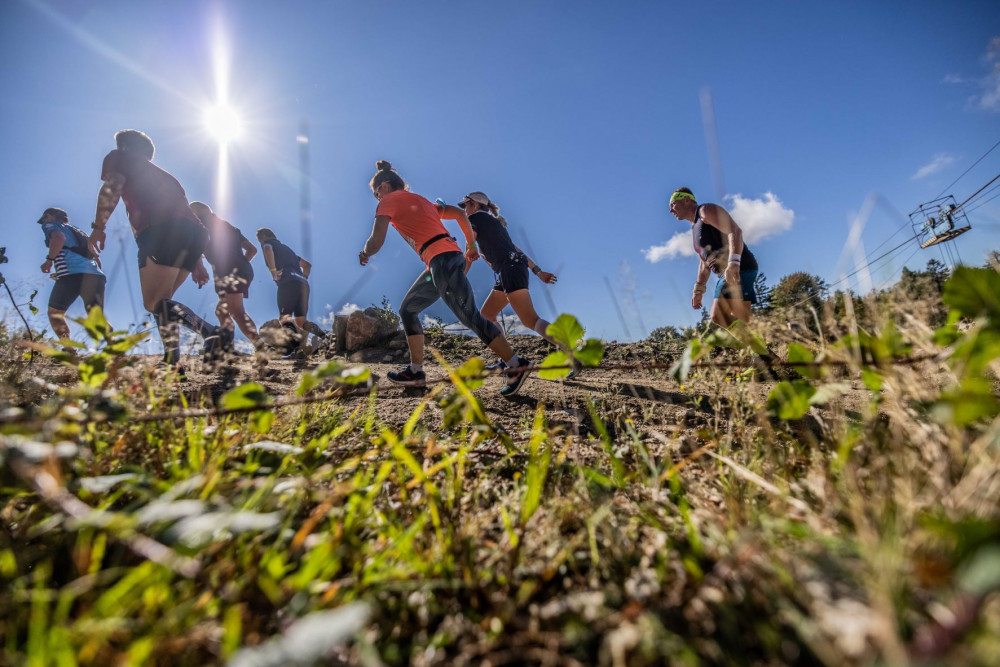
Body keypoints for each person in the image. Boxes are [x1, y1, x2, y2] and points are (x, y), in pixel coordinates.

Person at [359, 161, 530, 396]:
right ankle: (416, 372)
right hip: (442, 261)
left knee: (470, 316)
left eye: (376, 193)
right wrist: (470, 245)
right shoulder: (420, 200)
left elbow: (375, 242)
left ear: (384, 186)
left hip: (442, 261)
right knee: (408, 309)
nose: (377, 197)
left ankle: (516, 364)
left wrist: (365, 253)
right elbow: (459, 213)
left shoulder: (388, 201)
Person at [89, 129, 228, 368]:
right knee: (164, 303)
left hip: (160, 231)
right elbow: (187, 217)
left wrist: (98, 227)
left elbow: (112, 187)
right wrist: (197, 262)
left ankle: (212, 333)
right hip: (195, 235)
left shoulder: (120, 157)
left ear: (124, 146)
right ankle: (172, 361)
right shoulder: (168, 178)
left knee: (153, 303)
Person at [455, 191, 579, 377]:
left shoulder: (475, 219)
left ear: (475, 204)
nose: (464, 209)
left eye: (465, 205)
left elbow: (469, 247)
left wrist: (460, 277)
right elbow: (516, 249)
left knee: (530, 320)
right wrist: (538, 271)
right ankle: (506, 360)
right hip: (511, 268)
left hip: (510, 269)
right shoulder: (494, 223)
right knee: (487, 314)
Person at [668, 187, 759, 328]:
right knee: (743, 320)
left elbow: (735, 231)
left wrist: (734, 263)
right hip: (740, 269)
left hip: (738, 267)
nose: (671, 210)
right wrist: (698, 290)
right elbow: (704, 264)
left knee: (718, 316)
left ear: (686, 199)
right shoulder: (695, 228)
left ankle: (755, 341)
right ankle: (768, 341)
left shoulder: (705, 210)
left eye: (673, 204)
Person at [189, 202, 260, 348]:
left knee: (237, 312)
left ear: (195, 213)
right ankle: (228, 347)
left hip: (228, 271)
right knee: (221, 312)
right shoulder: (229, 227)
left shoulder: (201, 224)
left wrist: (200, 266)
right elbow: (252, 250)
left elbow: (196, 247)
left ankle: (262, 347)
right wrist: (240, 265)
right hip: (240, 270)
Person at [37, 207, 106, 348]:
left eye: (44, 219)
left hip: (71, 274)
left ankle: (69, 350)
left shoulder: (51, 225)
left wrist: (49, 260)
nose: (43, 222)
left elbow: (58, 238)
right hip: (95, 275)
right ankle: (115, 349)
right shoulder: (78, 232)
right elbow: (97, 258)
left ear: (49, 216)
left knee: (55, 313)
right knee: (96, 318)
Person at [256, 227, 311, 357]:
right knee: (300, 321)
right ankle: (325, 337)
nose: (260, 243)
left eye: (259, 241)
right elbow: (307, 265)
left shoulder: (268, 243)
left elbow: (267, 249)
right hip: (303, 285)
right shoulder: (288, 250)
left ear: (263, 237)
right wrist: (303, 278)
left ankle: (298, 350)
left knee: (284, 318)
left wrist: (273, 272)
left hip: (288, 283)